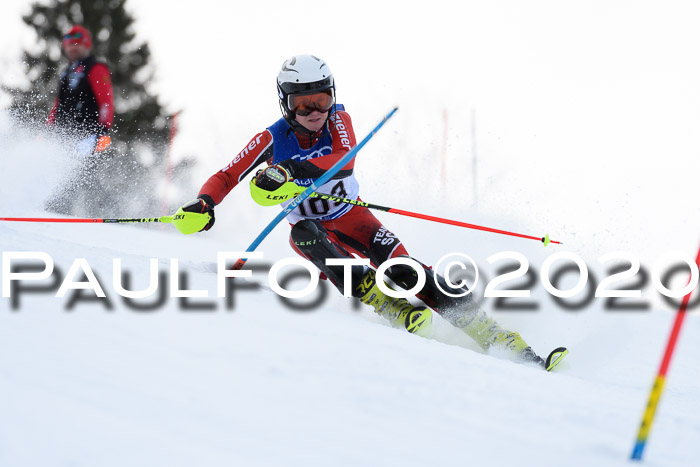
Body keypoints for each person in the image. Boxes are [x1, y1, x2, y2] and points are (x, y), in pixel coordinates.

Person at [181, 54, 550, 367]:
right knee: (303, 232)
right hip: (318, 234)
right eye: (303, 104)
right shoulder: (271, 138)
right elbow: (228, 174)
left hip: (355, 217)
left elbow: (344, 159)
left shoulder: (340, 120)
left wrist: (293, 170)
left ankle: (497, 337)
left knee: (406, 270)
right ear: (286, 103)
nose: (315, 112)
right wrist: (205, 202)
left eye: (322, 99)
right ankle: (385, 303)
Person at [45, 25, 114, 214]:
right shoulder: (67, 71)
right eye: (69, 44)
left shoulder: (95, 67)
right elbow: (58, 104)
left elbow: (106, 101)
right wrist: (49, 129)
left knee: (84, 176)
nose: (73, 47)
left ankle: (107, 214)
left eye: (77, 43)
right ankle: (56, 212)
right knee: (62, 176)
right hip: (63, 135)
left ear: (86, 45)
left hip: (87, 136)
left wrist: (103, 130)